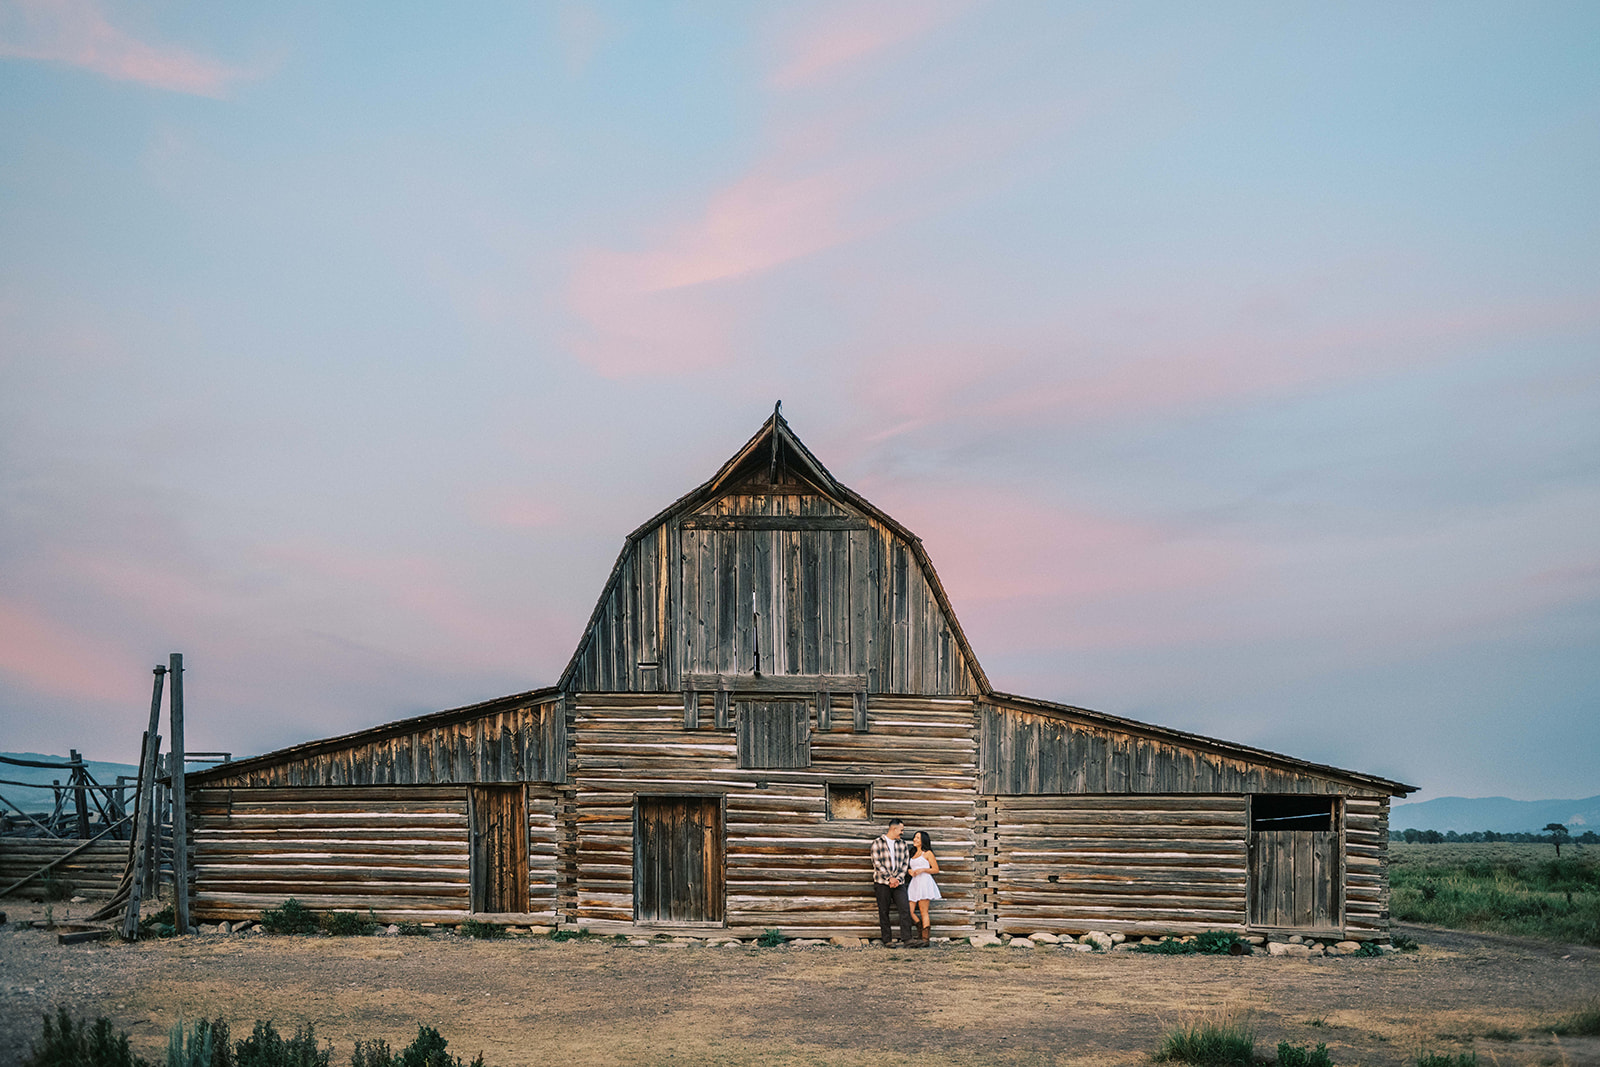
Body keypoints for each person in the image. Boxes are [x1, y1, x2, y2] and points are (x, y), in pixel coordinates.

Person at [870, 818, 919, 945]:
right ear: (894, 829)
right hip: (882, 882)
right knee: (884, 910)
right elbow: (876, 863)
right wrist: (889, 878)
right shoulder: (877, 843)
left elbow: (905, 863)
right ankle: (887, 940)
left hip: (899, 883)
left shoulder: (902, 844)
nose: (902, 832)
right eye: (901, 830)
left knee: (904, 909)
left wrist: (897, 879)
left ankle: (907, 938)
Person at [906, 830, 942, 941]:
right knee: (909, 910)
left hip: (924, 882)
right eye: (914, 837)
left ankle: (925, 939)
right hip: (914, 883)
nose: (915, 840)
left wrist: (923, 870)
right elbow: (908, 867)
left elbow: (936, 869)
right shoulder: (912, 853)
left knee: (923, 911)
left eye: (918, 838)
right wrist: (909, 871)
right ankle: (920, 928)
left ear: (923, 840)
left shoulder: (928, 853)